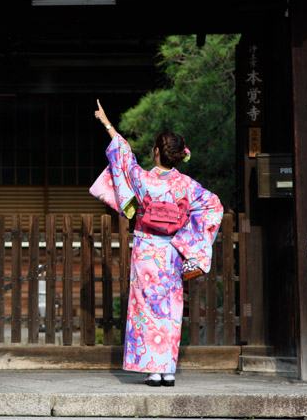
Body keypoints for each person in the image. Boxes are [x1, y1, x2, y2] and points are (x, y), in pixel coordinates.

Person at [89, 100, 223, 387]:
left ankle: (153, 370)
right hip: (171, 252)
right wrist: (186, 239)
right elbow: (213, 207)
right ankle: (169, 371)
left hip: (147, 251)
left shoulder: (143, 180)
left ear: (157, 152)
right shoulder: (186, 185)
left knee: (145, 308)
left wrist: (106, 123)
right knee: (171, 310)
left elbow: (123, 158)